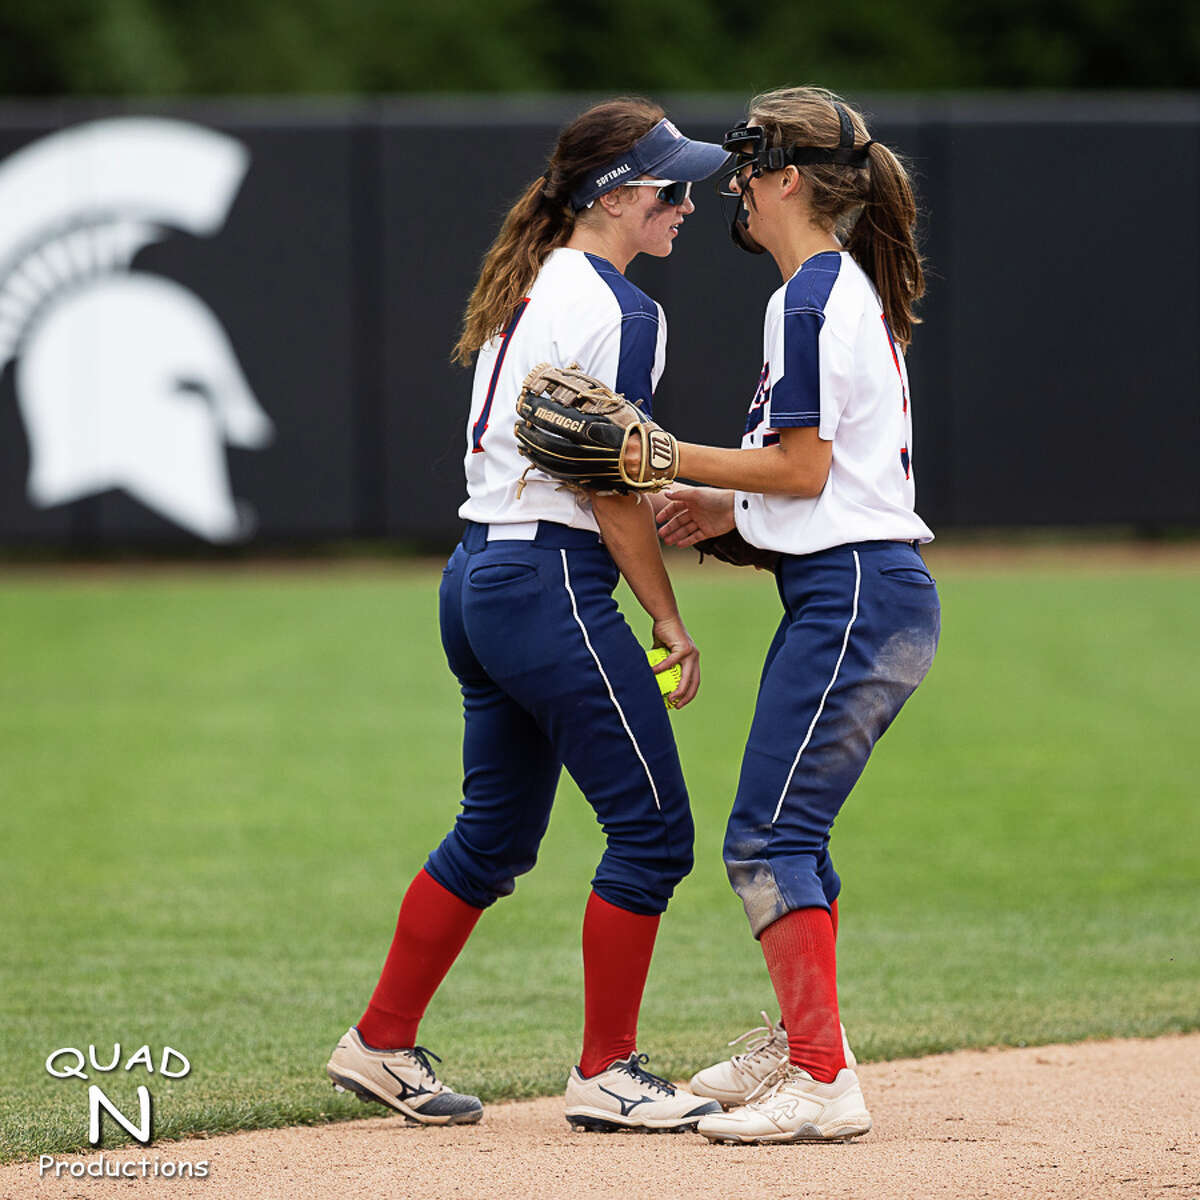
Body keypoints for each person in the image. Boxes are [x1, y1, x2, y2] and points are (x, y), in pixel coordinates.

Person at [325, 98, 729, 1133]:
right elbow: (609, 488)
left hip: (476, 577)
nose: (687, 202)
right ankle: (607, 1069)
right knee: (652, 832)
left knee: (494, 836)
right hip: (548, 581)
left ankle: (380, 1042)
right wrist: (670, 619)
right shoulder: (624, 311)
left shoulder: (536, 281)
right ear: (619, 196)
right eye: (671, 187)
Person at [643, 86, 942, 1143]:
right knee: (790, 836)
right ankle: (808, 1041)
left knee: (768, 838)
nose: (735, 184)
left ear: (780, 180)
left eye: (747, 165)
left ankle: (823, 1079)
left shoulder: (811, 295)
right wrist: (722, 506)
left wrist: (664, 455)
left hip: (856, 594)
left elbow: (806, 470)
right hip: (858, 590)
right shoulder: (830, 288)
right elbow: (816, 480)